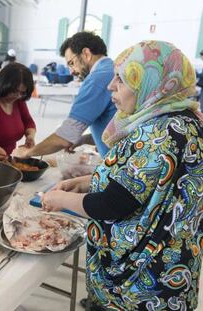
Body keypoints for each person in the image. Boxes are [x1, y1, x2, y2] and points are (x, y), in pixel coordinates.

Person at [42, 41, 203, 310]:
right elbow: (149, 183)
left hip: (141, 282)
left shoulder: (157, 134)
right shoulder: (187, 121)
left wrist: (58, 199)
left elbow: (112, 205)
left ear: (153, 85)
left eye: (123, 79)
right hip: (174, 267)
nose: (110, 86)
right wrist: (86, 181)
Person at [13, 31, 116, 159]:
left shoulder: (97, 79)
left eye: (71, 63)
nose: (71, 71)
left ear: (86, 54)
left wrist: (28, 152)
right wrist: (83, 139)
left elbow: (66, 136)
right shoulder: (113, 68)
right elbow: (116, 128)